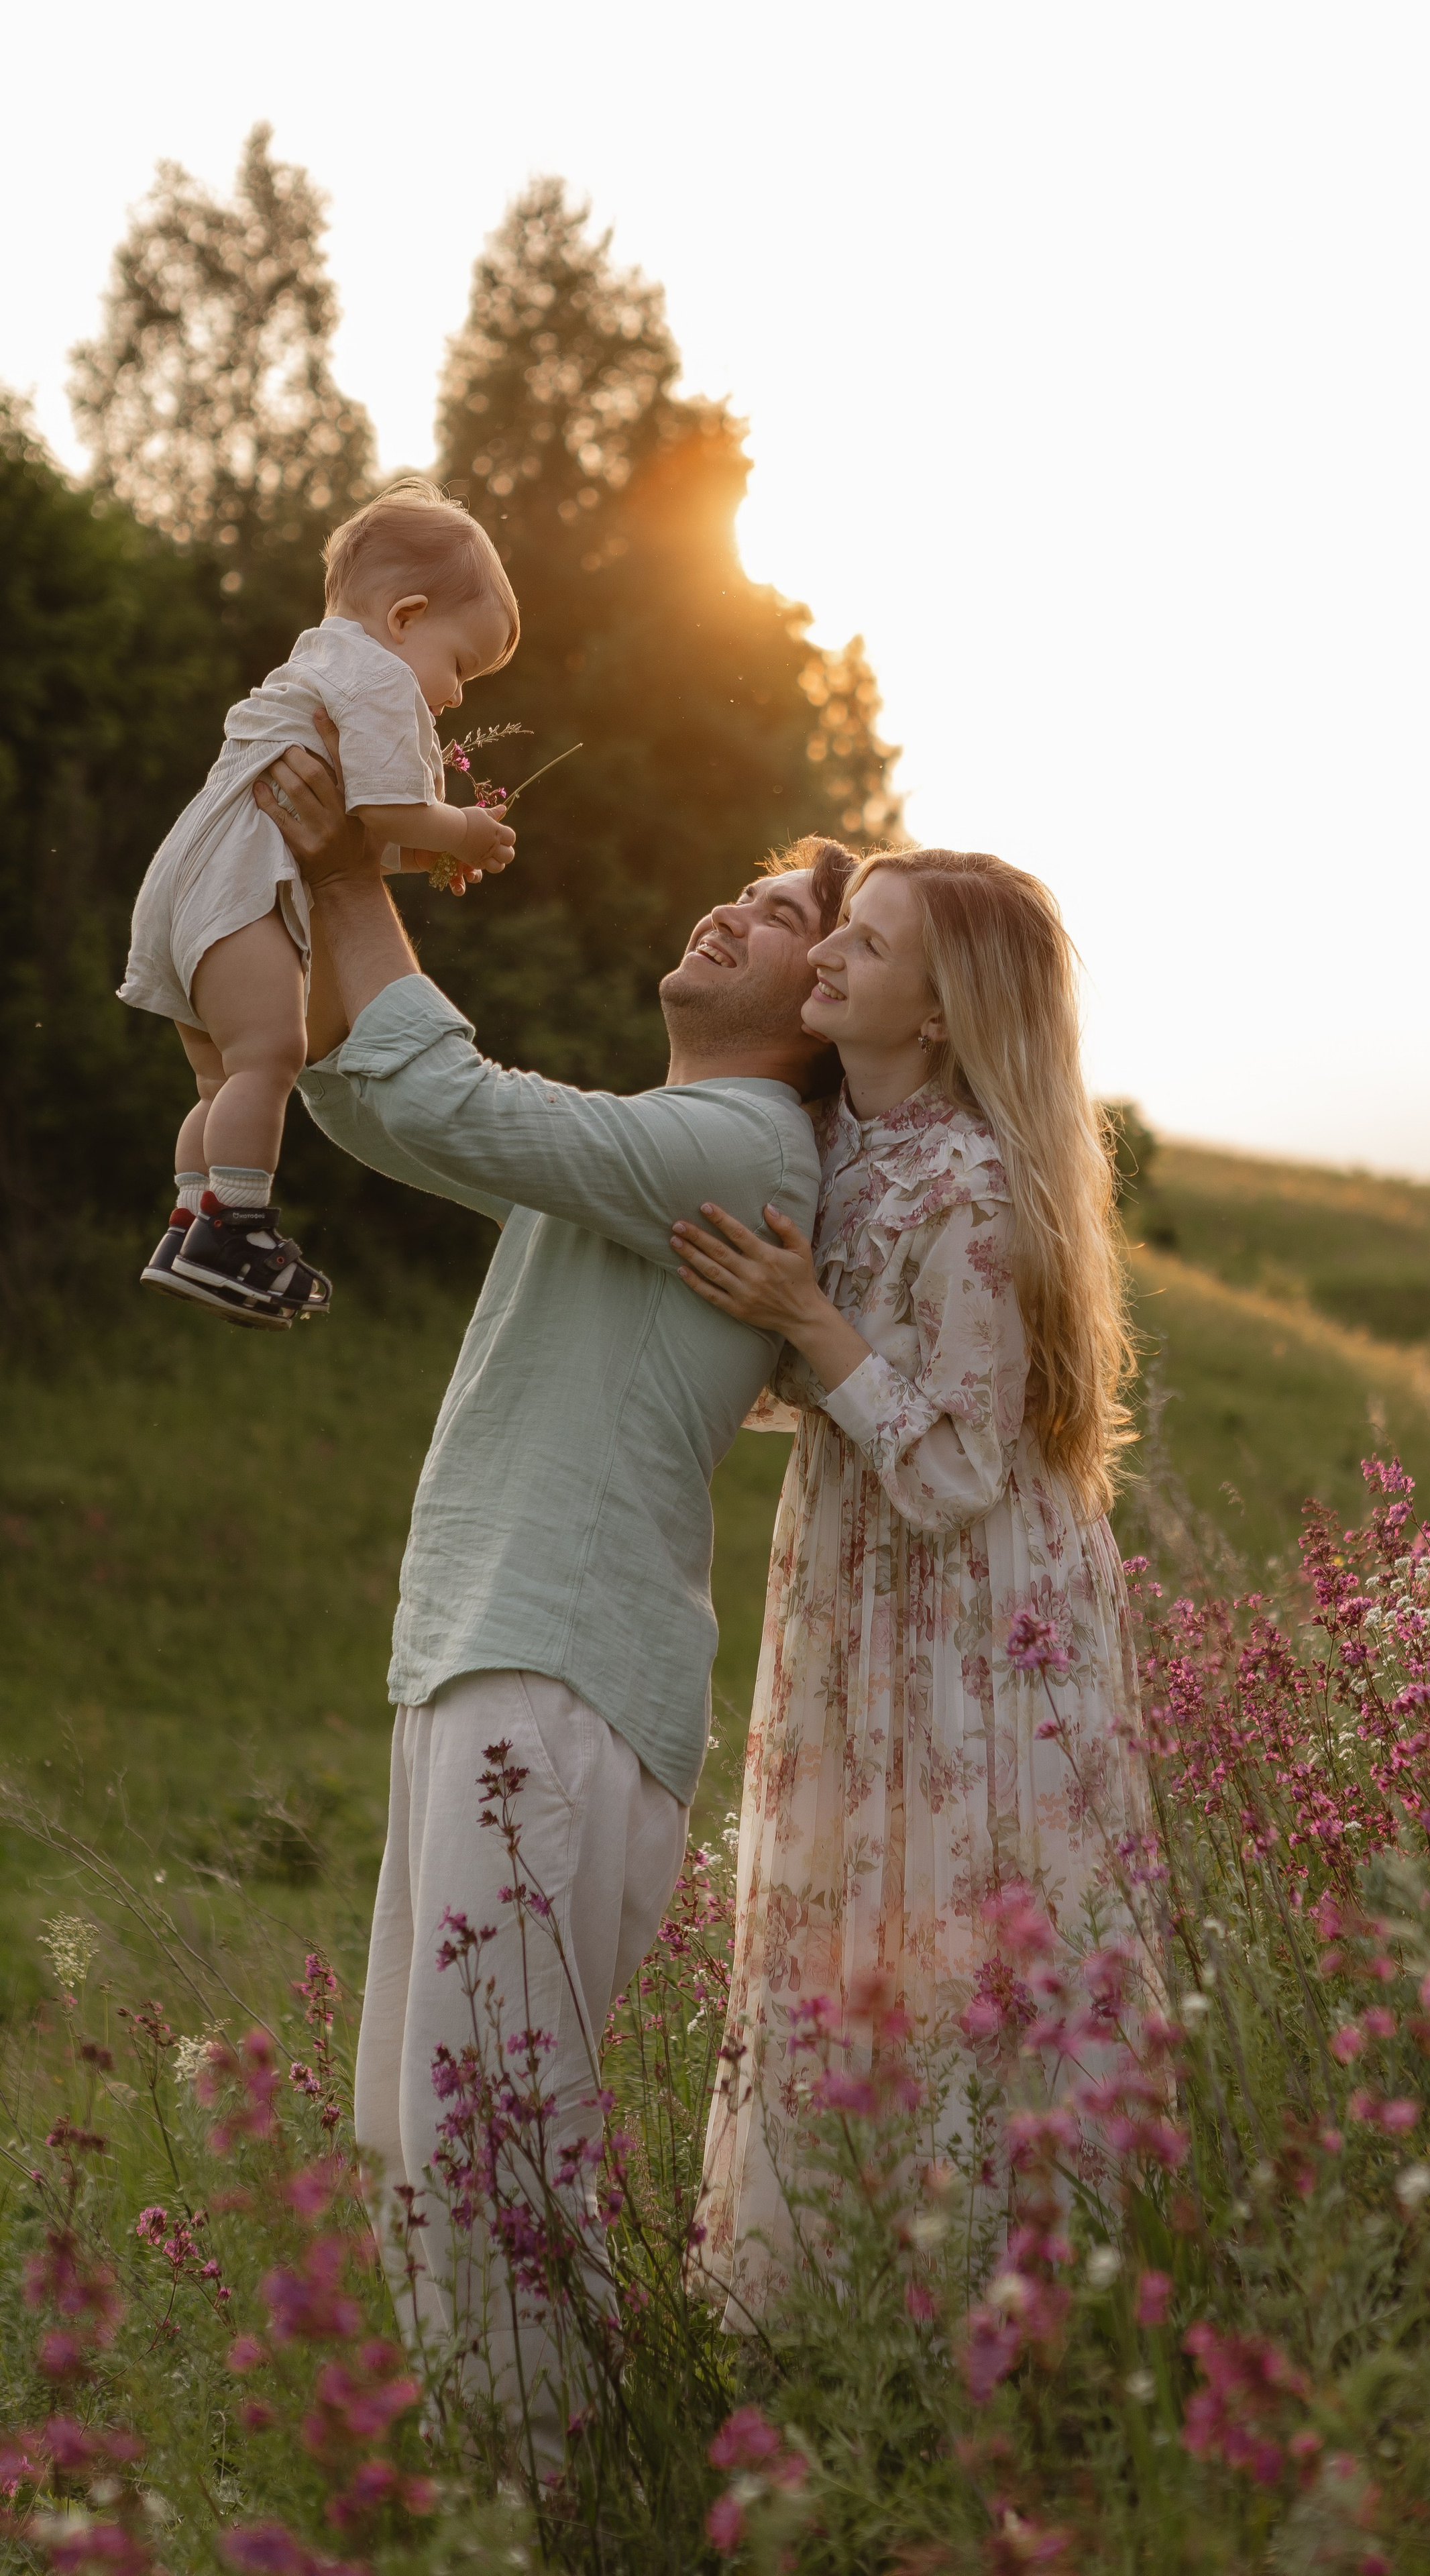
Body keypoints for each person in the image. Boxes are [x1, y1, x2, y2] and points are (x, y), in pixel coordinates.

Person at [256, 733, 852, 2441]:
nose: (730, 908)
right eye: (742, 886)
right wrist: (321, 880)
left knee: (487, 2154)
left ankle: (582, 2501)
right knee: (416, 2139)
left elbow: (440, 1099)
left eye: (783, 910)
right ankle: (549, 2486)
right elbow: (382, 1100)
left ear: (826, 1008)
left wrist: (357, 862)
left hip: (562, 1678)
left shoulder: (744, 1150)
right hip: (489, 1656)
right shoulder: (670, 1139)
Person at [667, 848, 1140, 2325]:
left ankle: (982, 2309)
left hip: (967, 1607)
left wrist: (809, 1321)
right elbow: (782, 1382)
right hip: (858, 1579)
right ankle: (823, 2301)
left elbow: (949, 1474)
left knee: (953, 1922)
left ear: (935, 1017)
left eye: (865, 947)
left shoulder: (975, 1188)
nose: (828, 960)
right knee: (839, 1913)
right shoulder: (828, 1140)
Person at [120, 479, 518, 1330]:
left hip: (186, 887)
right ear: (405, 617)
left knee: (221, 1080)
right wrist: (466, 833)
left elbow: (350, 834)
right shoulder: (377, 674)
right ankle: (237, 1232)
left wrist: (431, 857)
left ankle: (190, 1224)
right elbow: (382, 813)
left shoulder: (320, 659)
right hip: (236, 891)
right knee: (273, 1055)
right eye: (460, 665)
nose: (455, 696)